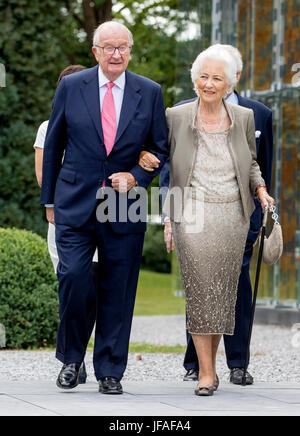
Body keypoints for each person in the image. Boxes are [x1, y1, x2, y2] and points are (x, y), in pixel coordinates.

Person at [40, 21, 168, 394]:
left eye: (123, 48)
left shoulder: (150, 91)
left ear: (130, 51)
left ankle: (110, 370)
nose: (116, 55)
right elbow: (54, 144)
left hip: (123, 204)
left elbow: (160, 148)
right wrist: (49, 199)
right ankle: (71, 358)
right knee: (74, 278)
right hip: (75, 201)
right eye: (109, 48)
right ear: (95, 52)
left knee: (118, 287)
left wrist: (135, 178)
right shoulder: (71, 86)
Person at [139, 44, 274, 396]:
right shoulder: (175, 116)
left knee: (222, 294)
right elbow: (156, 150)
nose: (209, 83)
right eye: (203, 76)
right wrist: (142, 158)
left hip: (233, 213)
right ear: (194, 79)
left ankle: (209, 368)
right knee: (200, 291)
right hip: (192, 213)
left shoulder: (243, 118)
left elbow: (253, 163)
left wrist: (260, 189)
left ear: (229, 84)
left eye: (217, 78)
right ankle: (205, 373)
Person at [34, 64, 98, 385]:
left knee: (93, 292)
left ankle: (77, 353)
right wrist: (57, 206)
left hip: (101, 218)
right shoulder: (48, 128)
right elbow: (44, 174)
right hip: (65, 217)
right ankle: (73, 358)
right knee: (72, 286)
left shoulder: (103, 124)